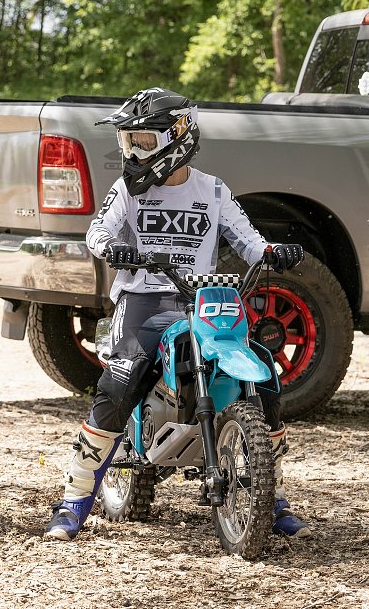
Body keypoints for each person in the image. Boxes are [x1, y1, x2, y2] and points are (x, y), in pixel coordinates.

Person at [44, 87, 311, 542]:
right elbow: (97, 233)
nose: (132, 152)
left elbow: (249, 242)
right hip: (144, 301)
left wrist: (272, 252)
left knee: (263, 376)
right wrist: (115, 248)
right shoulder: (127, 189)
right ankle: (74, 499)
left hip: (203, 300)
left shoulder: (213, 190)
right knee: (120, 381)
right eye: (128, 142)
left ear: (178, 136)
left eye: (143, 142)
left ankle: (274, 495)